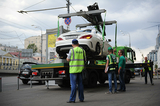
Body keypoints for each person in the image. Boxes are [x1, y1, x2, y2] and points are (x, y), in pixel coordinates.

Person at [66, 39, 86, 103]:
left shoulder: (71, 50)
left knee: (73, 85)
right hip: (80, 70)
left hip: (73, 70)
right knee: (80, 84)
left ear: (72, 44)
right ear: (78, 44)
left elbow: (68, 59)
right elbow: (85, 60)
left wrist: (67, 58)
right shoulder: (83, 51)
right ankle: (81, 98)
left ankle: (72, 99)